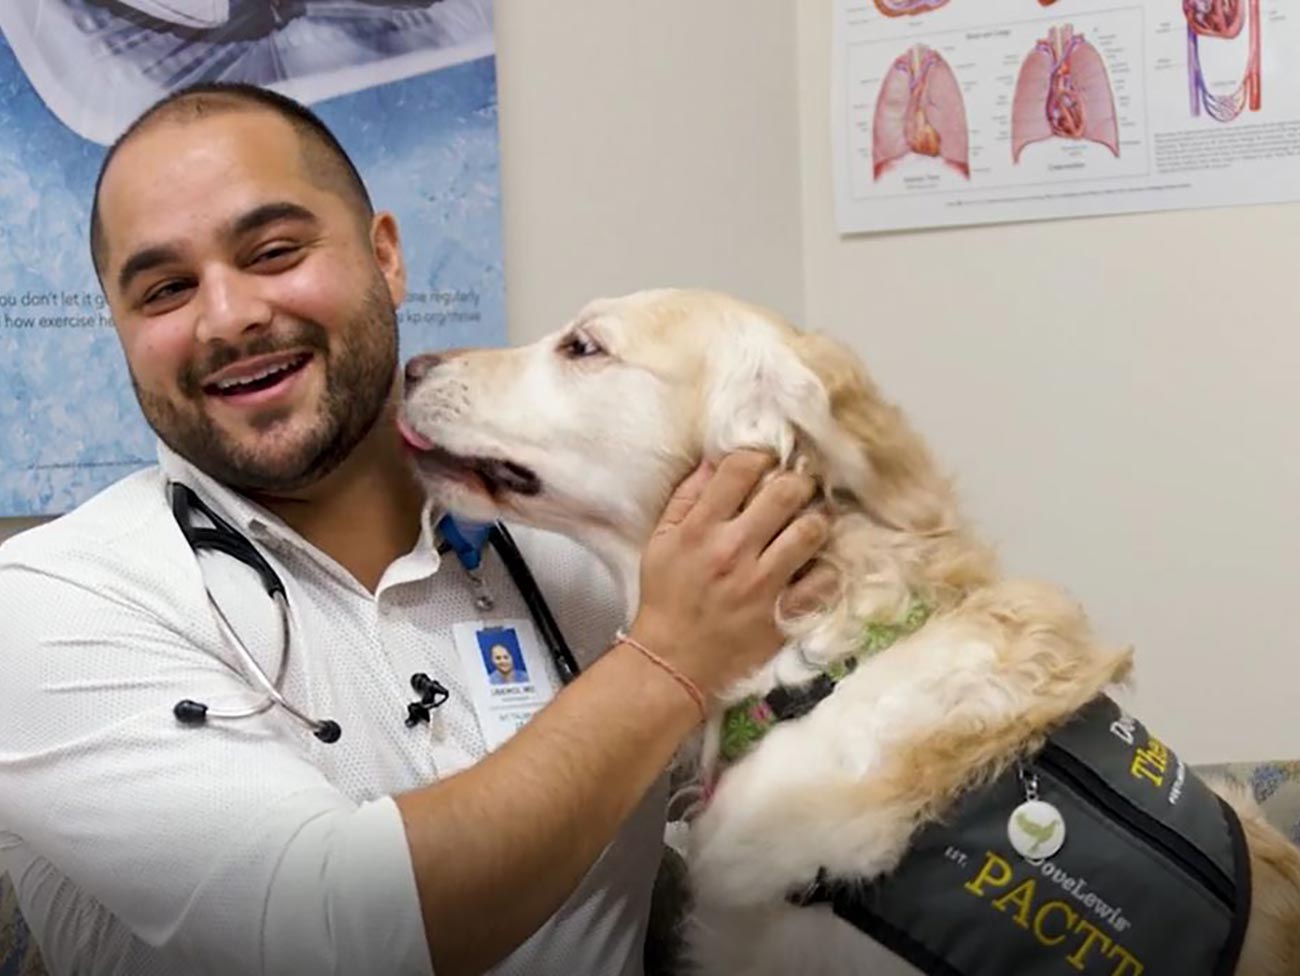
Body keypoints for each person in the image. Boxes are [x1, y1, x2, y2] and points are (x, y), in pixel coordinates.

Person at [0, 82, 829, 976]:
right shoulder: (57, 601)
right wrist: (667, 659)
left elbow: (800, 773)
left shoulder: (583, 552)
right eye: (165, 289)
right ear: (120, 330)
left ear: (386, 256)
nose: (229, 316)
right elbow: (332, 938)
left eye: (274, 251)